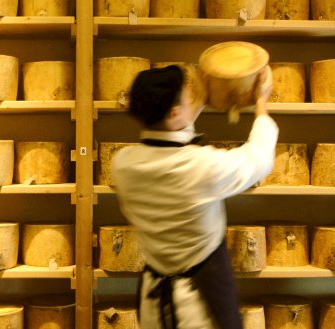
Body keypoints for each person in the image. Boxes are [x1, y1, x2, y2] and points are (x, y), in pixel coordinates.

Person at [111, 64, 278, 329]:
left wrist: (193, 105)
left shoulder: (122, 164)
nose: (193, 97)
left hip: (153, 301)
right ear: (175, 112)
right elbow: (258, 158)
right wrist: (261, 102)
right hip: (196, 309)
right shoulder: (202, 167)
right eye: (187, 96)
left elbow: (173, 136)